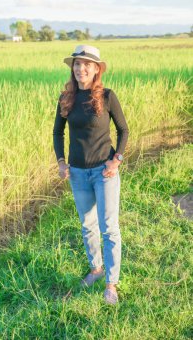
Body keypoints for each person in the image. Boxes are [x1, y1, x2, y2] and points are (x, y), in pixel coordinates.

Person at [53, 45, 129, 305]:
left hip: (103, 172)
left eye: (86, 64)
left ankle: (111, 283)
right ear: (72, 68)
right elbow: (57, 132)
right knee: (88, 226)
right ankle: (95, 269)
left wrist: (116, 160)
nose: (80, 68)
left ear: (96, 69)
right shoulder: (66, 99)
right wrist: (62, 162)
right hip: (77, 173)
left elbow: (124, 130)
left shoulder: (107, 96)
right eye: (77, 64)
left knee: (109, 228)